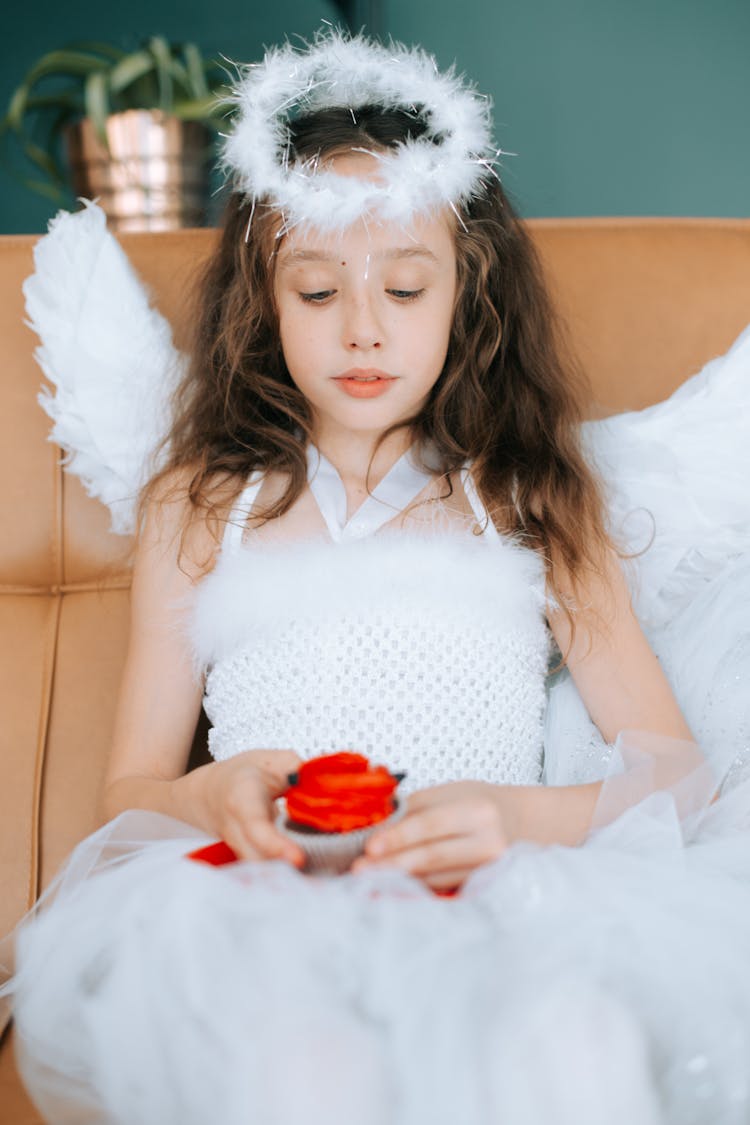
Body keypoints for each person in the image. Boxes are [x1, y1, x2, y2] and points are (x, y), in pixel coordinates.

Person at [3, 29, 750, 1125]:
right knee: (308, 1072)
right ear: (263, 298)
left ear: (468, 294)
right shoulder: (203, 505)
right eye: (317, 293)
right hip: (264, 904)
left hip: (500, 895)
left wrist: (517, 815)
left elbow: (679, 776)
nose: (363, 330)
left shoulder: (530, 499)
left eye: (405, 288)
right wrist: (209, 793)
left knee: (571, 1046)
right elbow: (129, 796)